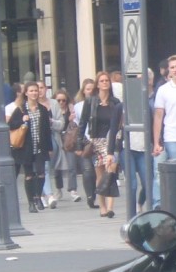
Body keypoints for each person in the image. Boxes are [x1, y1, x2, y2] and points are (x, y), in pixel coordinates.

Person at [80, 73, 123, 218]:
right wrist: (81, 142)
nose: (105, 83)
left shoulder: (115, 102)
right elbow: (83, 122)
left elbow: (120, 122)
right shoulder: (91, 101)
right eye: (102, 81)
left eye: (107, 81)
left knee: (111, 170)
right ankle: (102, 206)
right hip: (96, 140)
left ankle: (110, 207)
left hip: (112, 139)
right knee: (100, 174)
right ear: (97, 84)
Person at [7, 81, 54, 214]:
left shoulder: (43, 110)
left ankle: (38, 196)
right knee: (29, 175)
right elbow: (11, 125)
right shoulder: (21, 109)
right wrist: (22, 120)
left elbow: (46, 130)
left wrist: (49, 148)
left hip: (40, 146)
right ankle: (31, 202)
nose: (34, 93)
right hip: (26, 148)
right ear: (26, 93)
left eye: (36, 90)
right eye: (31, 91)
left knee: (40, 173)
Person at [49, 89, 81, 202]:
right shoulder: (52, 109)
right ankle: (58, 189)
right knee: (57, 165)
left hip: (69, 139)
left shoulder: (71, 109)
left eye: (64, 100)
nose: (61, 103)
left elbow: (76, 124)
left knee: (71, 164)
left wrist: (72, 120)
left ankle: (73, 190)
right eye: (59, 100)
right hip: (57, 138)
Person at [73, 77, 99, 207]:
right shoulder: (78, 106)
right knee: (87, 169)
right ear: (83, 91)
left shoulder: (100, 103)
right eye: (87, 89)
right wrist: (79, 144)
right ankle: (90, 196)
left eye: (92, 89)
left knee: (98, 170)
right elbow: (79, 125)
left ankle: (95, 193)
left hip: (99, 139)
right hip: (86, 140)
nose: (90, 91)